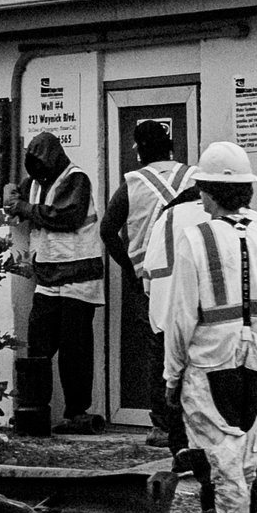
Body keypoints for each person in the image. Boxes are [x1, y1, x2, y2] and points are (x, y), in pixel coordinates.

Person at [158, 141, 257, 513]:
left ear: (209, 191)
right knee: (245, 460)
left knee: (217, 462)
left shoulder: (196, 238)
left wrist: (172, 375)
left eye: (202, 189)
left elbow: (180, 317)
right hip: (256, 361)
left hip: (209, 363)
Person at [6, 130, 107, 437]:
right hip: (48, 280)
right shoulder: (36, 181)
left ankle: (76, 413)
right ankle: (33, 411)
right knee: (38, 347)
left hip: (78, 280)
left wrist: (23, 207)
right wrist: (13, 198)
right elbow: (18, 204)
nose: (37, 173)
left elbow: (67, 217)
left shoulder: (77, 179)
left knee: (75, 352)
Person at [100, 121, 190, 445]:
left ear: (139, 149)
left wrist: (128, 266)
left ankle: (162, 427)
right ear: (169, 146)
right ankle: (192, 422)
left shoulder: (132, 183)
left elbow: (108, 230)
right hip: (190, 272)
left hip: (149, 279)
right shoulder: (191, 176)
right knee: (194, 344)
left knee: (159, 350)